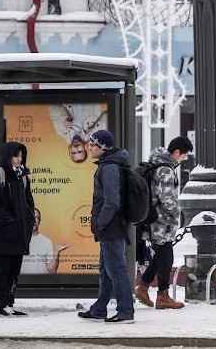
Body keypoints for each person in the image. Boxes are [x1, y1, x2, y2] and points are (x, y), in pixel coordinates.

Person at [78, 130, 135, 323]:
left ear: (103, 147)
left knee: (116, 269)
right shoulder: (108, 164)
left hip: (111, 226)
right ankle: (99, 309)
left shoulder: (110, 167)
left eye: (93, 144)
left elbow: (111, 202)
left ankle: (125, 311)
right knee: (106, 269)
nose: (89, 147)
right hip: (111, 226)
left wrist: (101, 223)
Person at [134, 136, 193, 310]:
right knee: (166, 257)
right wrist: (177, 214)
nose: (183, 159)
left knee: (160, 255)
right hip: (162, 221)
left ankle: (143, 287)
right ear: (177, 152)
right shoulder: (166, 170)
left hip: (153, 218)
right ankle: (162, 295)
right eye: (184, 156)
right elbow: (167, 199)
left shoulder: (157, 164)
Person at [0, 142, 35, 316]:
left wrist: (29, 220)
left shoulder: (23, 176)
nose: (19, 159)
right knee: (3, 269)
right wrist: (9, 221)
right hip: (6, 232)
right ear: (8, 156)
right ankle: (4, 305)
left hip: (20, 232)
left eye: (21, 156)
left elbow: (29, 201)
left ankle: (10, 303)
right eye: (16, 155)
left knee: (15, 270)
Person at [21, 208, 70, 274]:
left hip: (40, 280)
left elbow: (52, 271)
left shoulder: (46, 242)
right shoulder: (17, 240)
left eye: (36, 217)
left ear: (39, 221)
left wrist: (56, 252)